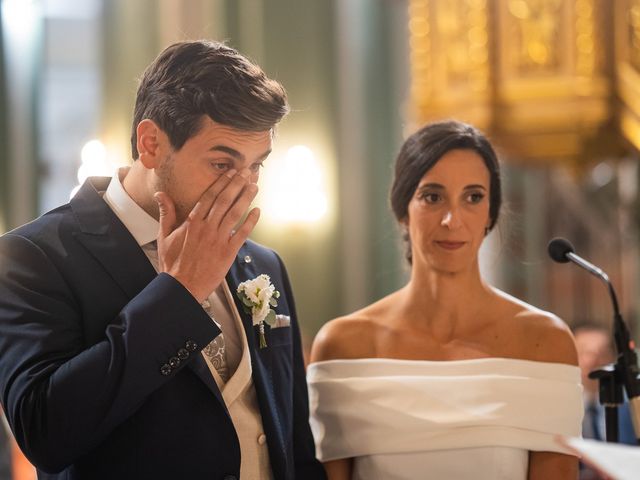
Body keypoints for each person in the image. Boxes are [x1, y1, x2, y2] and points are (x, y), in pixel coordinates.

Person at [0, 40, 325, 480]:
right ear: (151, 144)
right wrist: (179, 294)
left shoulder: (264, 265)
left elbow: (295, 446)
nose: (244, 189)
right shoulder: (33, 256)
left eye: (256, 167)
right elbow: (45, 432)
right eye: (222, 164)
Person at [308, 120, 583, 480]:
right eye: (432, 196)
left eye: (473, 197)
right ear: (403, 210)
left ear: (490, 214)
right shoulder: (343, 344)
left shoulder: (545, 342)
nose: (453, 220)